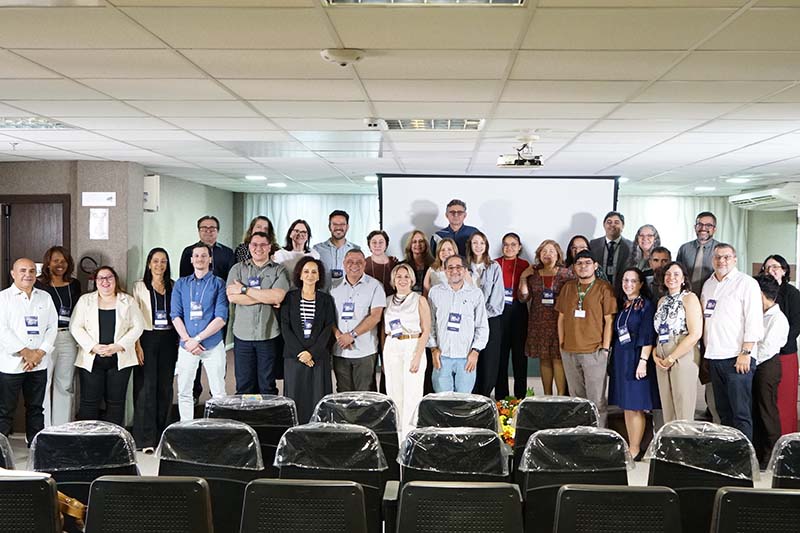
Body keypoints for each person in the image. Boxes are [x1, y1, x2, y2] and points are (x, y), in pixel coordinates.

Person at [701, 243, 763, 440]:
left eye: (727, 257)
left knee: (741, 414)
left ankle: (745, 463)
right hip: (714, 357)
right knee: (723, 413)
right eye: (718, 257)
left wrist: (745, 353)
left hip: (737, 358)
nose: (722, 261)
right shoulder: (708, 284)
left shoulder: (746, 283)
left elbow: (754, 321)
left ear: (735, 259)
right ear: (713, 260)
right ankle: (730, 458)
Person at [71, 266, 144, 426]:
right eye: (101, 278)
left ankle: (114, 442)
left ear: (115, 280)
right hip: (92, 358)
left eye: (109, 277)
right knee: (89, 402)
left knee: (116, 403)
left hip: (120, 358)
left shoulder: (128, 301)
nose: (105, 281)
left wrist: (118, 346)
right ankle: (87, 439)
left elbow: (138, 327)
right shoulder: (85, 300)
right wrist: (93, 346)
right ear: (95, 282)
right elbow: (75, 326)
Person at [555, 250, 617, 426]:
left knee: (596, 400)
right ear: (574, 267)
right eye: (579, 263)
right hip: (569, 351)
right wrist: (562, 344)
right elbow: (560, 317)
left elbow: (609, 320)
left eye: (587, 263)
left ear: (595, 265)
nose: (583, 266)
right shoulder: (568, 287)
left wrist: (605, 349)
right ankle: (581, 434)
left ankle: (599, 435)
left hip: (594, 351)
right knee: (577, 399)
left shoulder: (604, 288)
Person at [0, 258, 57, 444]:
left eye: (32, 271)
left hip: (39, 364)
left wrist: (39, 353)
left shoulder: (45, 297)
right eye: (23, 270)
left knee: (36, 409)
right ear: (13, 274)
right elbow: (3, 330)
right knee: (5, 411)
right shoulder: (3, 298)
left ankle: (36, 451)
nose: (28, 274)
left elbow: (52, 327)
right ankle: (2, 456)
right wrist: (26, 352)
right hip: (11, 365)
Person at [226, 231, 289, 395]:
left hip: (268, 335)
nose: (258, 248)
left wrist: (244, 289)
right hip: (242, 335)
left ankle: (267, 420)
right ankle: (246, 419)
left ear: (269, 247)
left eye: (263, 244)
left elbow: (278, 296)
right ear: (249, 246)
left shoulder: (279, 270)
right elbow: (232, 297)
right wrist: (266, 296)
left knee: (267, 384)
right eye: (254, 244)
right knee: (244, 385)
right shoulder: (238, 269)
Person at [171, 243, 229, 421]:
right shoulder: (181, 284)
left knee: (219, 391)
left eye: (204, 255)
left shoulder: (219, 283)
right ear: (191, 259)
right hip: (187, 345)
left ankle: (219, 428)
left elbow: (221, 318)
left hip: (212, 345)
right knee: (184, 391)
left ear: (210, 259)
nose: (200, 259)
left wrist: (197, 339)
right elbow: (175, 315)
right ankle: (186, 428)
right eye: (196, 256)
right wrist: (188, 340)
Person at [608, 267, 659, 460]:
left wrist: (643, 362)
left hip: (637, 358)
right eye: (625, 280)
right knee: (627, 406)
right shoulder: (624, 305)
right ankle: (631, 444)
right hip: (622, 359)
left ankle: (636, 448)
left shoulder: (646, 306)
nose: (628, 284)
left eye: (632, 281)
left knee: (636, 405)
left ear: (641, 284)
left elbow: (648, 336)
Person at [132, 248, 179, 452]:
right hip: (146, 338)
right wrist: (137, 345)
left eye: (163, 261)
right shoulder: (138, 287)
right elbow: (132, 318)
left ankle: (162, 436)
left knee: (165, 387)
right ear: (149, 264)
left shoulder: (174, 285)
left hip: (169, 338)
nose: (159, 265)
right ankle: (145, 439)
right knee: (146, 387)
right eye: (155, 261)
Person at [281, 257, 336, 423]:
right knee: (296, 397)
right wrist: (301, 352)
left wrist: (311, 352)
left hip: (318, 357)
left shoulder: (326, 300)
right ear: (300, 275)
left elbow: (328, 328)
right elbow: (285, 327)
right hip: (294, 356)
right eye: (306, 271)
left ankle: (318, 433)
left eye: (314, 272)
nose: (310, 275)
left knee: (318, 398)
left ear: (319, 276)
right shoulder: (290, 298)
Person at [519, 239, 573, 396]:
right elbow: (523, 297)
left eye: (551, 251)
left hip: (559, 322)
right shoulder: (533, 274)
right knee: (544, 359)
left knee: (558, 358)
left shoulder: (566, 274)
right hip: (538, 323)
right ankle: (547, 396)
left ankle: (561, 396)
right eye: (544, 252)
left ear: (558, 255)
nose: (547, 254)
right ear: (539, 255)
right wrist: (523, 278)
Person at [427, 255, 489, 393]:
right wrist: (433, 348)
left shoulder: (475, 293)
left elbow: (482, 326)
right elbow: (429, 324)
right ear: (444, 270)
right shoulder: (435, 292)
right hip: (442, 357)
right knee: (442, 400)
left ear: (465, 269)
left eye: (458, 267)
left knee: (463, 401)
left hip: (466, 357)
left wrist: (476, 351)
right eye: (450, 268)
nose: (454, 271)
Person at [383, 263, 431, 435]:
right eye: (398, 276)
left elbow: (426, 330)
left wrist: (417, 356)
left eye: (406, 276)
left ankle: (409, 440)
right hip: (392, 345)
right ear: (393, 280)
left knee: (412, 396)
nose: (402, 280)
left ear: (412, 280)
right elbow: (384, 330)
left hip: (412, 344)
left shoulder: (419, 300)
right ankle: (397, 441)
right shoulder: (387, 301)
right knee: (394, 395)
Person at [35, 246, 81, 426]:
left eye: (63, 261)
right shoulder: (39, 284)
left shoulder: (74, 284)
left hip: (67, 336)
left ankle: (62, 429)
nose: (60, 264)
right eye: (55, 261)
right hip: (45, 338)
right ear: (48, 263)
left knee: (65, 384)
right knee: (43, 384)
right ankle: (44, 429)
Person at [653, 262, 703, 423]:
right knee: (667, 407)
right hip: (661, 352)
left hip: (682, 352)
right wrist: (656, 355)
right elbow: (659, 331)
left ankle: (685, 445)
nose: (671, 277)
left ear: (683, 279)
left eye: (676, 274)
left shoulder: (689, 298)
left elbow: (695, 333)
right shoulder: (661, 301)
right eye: (668, 274)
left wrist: (672, 357)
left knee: (683, 406)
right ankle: (670, 445)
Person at [330, 249, 386, 392]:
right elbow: (328, 316)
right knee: (343, 393)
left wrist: (352, 335)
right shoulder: (333, 287)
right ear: (343, 264)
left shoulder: (375, 286)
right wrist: (339, 336)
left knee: (365, 395)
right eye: (350, 261)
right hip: (340, 350)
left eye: (359, 262)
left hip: (365, 351)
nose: (354, 265)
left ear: (365, 264)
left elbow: (375, 316)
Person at [759, 254, 800, 435]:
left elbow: (796, 325)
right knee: (768, 402)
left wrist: (777, 345)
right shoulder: (759, 292)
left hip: (784, 354)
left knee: (785, 401)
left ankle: (787, 440)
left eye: (775, 267)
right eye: (767, 267)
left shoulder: (792, 294)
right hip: (763, 356)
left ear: (784, 270)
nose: (771, 271)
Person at [753, 275, 789, 467]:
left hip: (766, 366)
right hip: (755, 365)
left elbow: (766, 348)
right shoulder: (759, 314)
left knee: (767, 410)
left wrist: (749, 361)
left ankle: (774, 455)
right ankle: (759, 453)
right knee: (756, 410)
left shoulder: (778, 318)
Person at [466, 231, 504, 397]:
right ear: (470, 245)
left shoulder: (494, 267)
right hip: (467, 322)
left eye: (482, 243)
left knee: (489, 362)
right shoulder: (462, 266)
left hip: (490, 320)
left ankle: (485, 396)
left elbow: (497, 302)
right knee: (470, 361)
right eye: (475, 243)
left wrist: (480, 315)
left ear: (486, 246)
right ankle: (470, 398)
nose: (478, 246)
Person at [495, 233, 530, 400]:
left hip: (518, 312)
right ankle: (502, 399)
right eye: (506, 244)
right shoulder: (495, 264)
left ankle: (520, 398)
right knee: (500, 358)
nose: (509, 248)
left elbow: (527, 294)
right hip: (499, 313)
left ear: (519, 247)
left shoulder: (525, 265)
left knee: (519, 358)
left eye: (513, 244)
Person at [313, 210, 360, 292]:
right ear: (329, 227)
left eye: (342, 224)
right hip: (322, 298)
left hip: (348, 299)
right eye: (335, 224)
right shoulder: (317, 249)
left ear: (347, 227)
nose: (338, 227)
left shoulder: (356, 250)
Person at [178, 215, 235, 280]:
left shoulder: (227, 252)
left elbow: (231, 277)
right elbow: (183, 277)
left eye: (212, 229)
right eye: (204, 228)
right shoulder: (188, 251)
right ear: (199, 231)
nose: (208, 231)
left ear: (218, 231)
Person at [676, 211, 719, 298]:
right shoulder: (684, 249)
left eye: (708, 225)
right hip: (686, 296)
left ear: (714, 229)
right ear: (695, 227)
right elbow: (678, 273)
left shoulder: (720, 250)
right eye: (700, 224)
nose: (703, 228)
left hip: (712, 296)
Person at [589, 211, 633, 287]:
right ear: (604, 225)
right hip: (598, 289)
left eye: (616, 222)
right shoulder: (593, 244)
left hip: (623, 290)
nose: (612, 225)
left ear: (623, 226)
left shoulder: (631, 246)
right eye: (609, 222)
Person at [364, 230, 399, 296]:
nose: (377, 245)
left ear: (386, 245)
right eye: (374, 242)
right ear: (369, 245)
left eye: (381, 242)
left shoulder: (394, 263)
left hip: (392, 302)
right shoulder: (363, 263)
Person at [402, 230, 433, 294]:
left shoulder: (433, 265)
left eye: (421, 241)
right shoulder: (403, 266)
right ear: (410, 245)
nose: (418, 244)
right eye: (414, 242)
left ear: (425, 244)